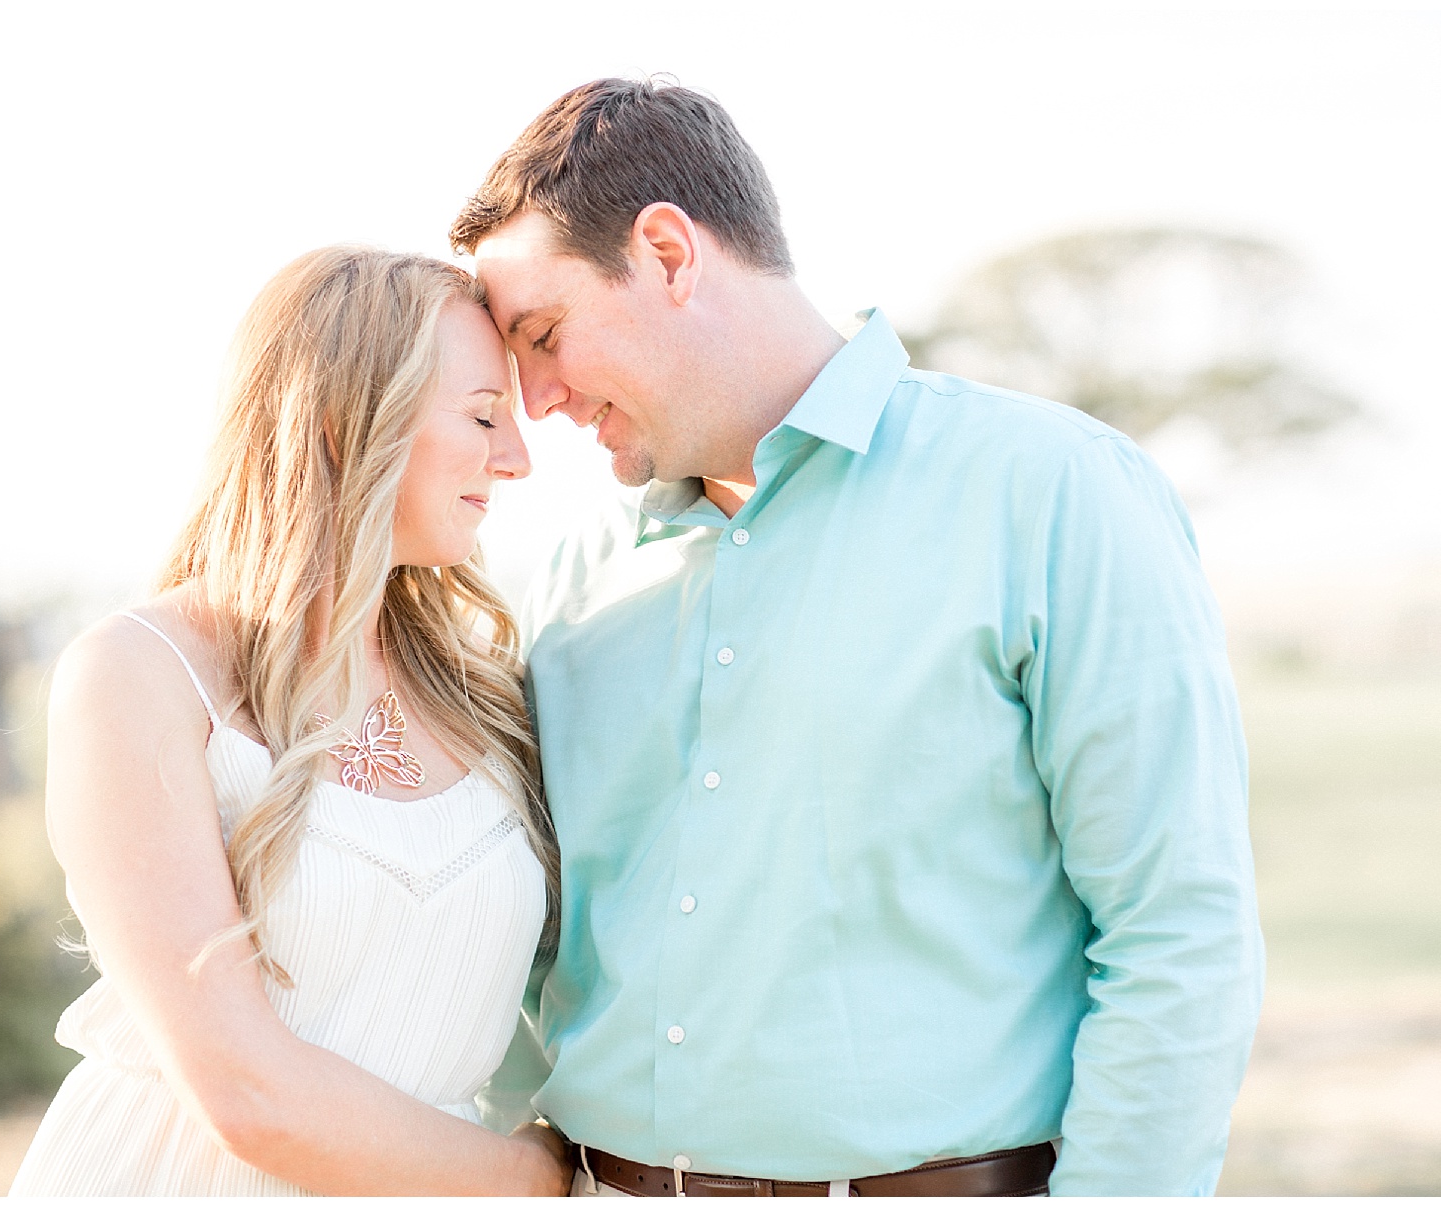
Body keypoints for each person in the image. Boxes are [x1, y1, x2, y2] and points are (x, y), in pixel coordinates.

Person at [456, 79, 1263, 1196]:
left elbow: (1177, 929)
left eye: (544, 335)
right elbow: (518, 949)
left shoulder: (1053, 493)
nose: (534, 401)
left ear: (669, 254)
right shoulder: (558, 582)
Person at [9, 247, 573, 1195]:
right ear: (345, 424)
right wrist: (537, 1179)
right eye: (483, 415)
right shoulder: (141, 674)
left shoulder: (485, 694)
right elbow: (248, 1093)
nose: (515, 458)